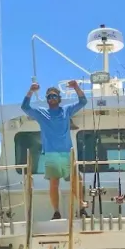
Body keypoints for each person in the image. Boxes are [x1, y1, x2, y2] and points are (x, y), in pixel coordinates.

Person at [21, 80, 90, 220]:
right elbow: (25, 107)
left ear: (59, 98)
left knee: (76, 179)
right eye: (49, 97)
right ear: (47, 100)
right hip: (51, 153)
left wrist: (76, 87)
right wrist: (31, 91)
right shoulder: (41, 113)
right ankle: (56, 211)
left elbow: (83, 101)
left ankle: (81, 205)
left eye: (54, 96)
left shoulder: (66, 110)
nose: (51, 98)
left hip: (67, 153)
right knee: (54, 182)